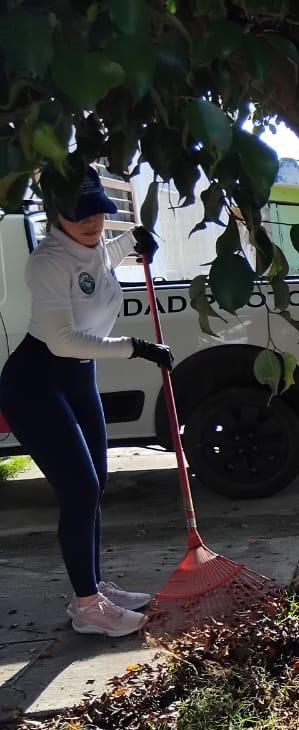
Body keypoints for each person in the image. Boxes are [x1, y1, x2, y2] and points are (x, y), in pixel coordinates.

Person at [0, 168, 173, 637]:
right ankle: (87, 606)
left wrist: (133, 241)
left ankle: (92, 585)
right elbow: (62, 340)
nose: (93, 222)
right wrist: (136, 348)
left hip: (78, 379)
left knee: (95, 486)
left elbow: (101, 260)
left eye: (98, 211)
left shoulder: (91, 246)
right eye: (81, 215)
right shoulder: (47, 262)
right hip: (36, 382)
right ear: (58, 213)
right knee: (78, 489)